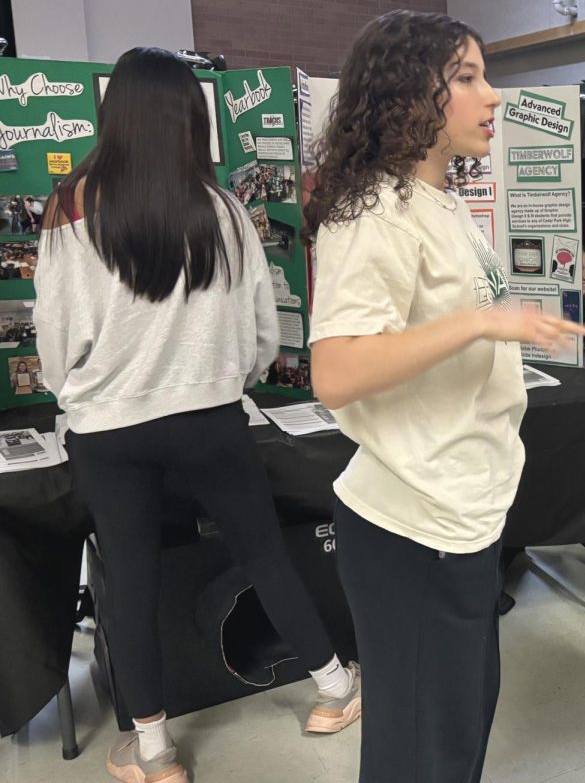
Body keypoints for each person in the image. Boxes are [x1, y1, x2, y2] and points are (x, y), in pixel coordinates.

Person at [33, 48, 359, 783]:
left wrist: (86, 394)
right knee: (263, 553)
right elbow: (261, 337)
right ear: (193, 116)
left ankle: (155, 753)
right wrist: (219, 379)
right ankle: (336, 688)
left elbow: (57, 345)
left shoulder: (70, 208)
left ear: (112, 114)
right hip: (212, 421)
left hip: (108, 433)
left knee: (133, 581)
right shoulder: (226, 210)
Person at [304, 11, 585, 783]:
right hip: (411, 522)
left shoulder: (443, 203)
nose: (491, 97)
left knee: (454, 731)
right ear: (406, 94)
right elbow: (336, 371)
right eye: (466, 78)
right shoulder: (375, 214)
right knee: (422, 750)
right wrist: (479, 322)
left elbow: (460, 325)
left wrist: (523, 316)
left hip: (459, 510)